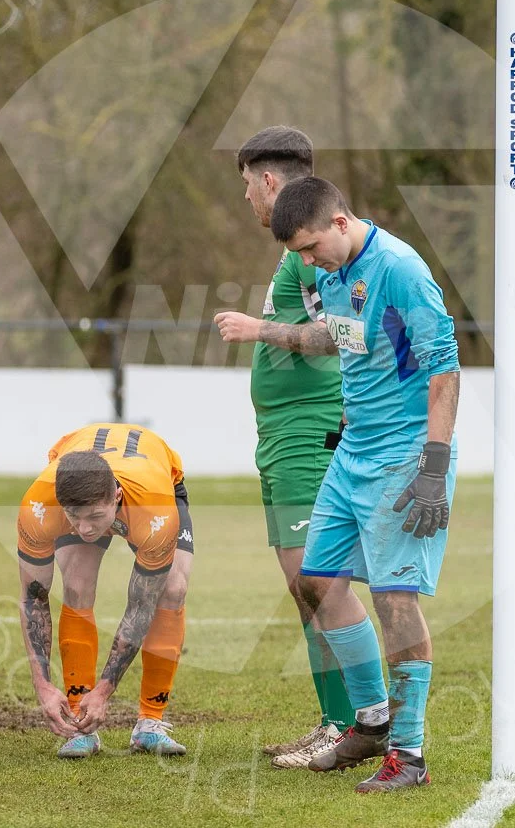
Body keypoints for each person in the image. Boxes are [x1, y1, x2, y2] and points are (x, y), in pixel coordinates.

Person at [268, 176, 460, 793]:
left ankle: (410, 756)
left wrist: (434, 466)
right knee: (316, 581)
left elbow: (444, 369)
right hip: (352, 452)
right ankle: (372, 721)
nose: (305, 261)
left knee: (393, 599)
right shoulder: (329, 274)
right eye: (296, 252)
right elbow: (340, 336)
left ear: (341, 220)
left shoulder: (401, 268)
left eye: (309, 246)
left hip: (404, 457)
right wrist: (265, 329)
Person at [211, 126, 356, 769]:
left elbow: (342, 332)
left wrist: (258, 330)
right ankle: (338, 722)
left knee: (318, 584)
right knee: (307, 588)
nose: (246, 199)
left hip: (309, 430)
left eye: (247, 185)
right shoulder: (295, 247)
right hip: (283, 434)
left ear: (269, 180)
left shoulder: (312, 247)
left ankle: (356, 724)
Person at [17, 423, 194, 758]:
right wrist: (42, 685)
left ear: (114, 497)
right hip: (84, 479)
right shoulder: (39, 507)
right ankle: (79, 724)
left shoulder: (154, 509)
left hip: (154, 484)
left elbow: (141, 606)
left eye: (94, 517)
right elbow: (33, 597)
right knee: (76, 584)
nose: (84, 528)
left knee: (172, 589)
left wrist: (104, 690)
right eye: (74, 517)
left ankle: (150, 723)